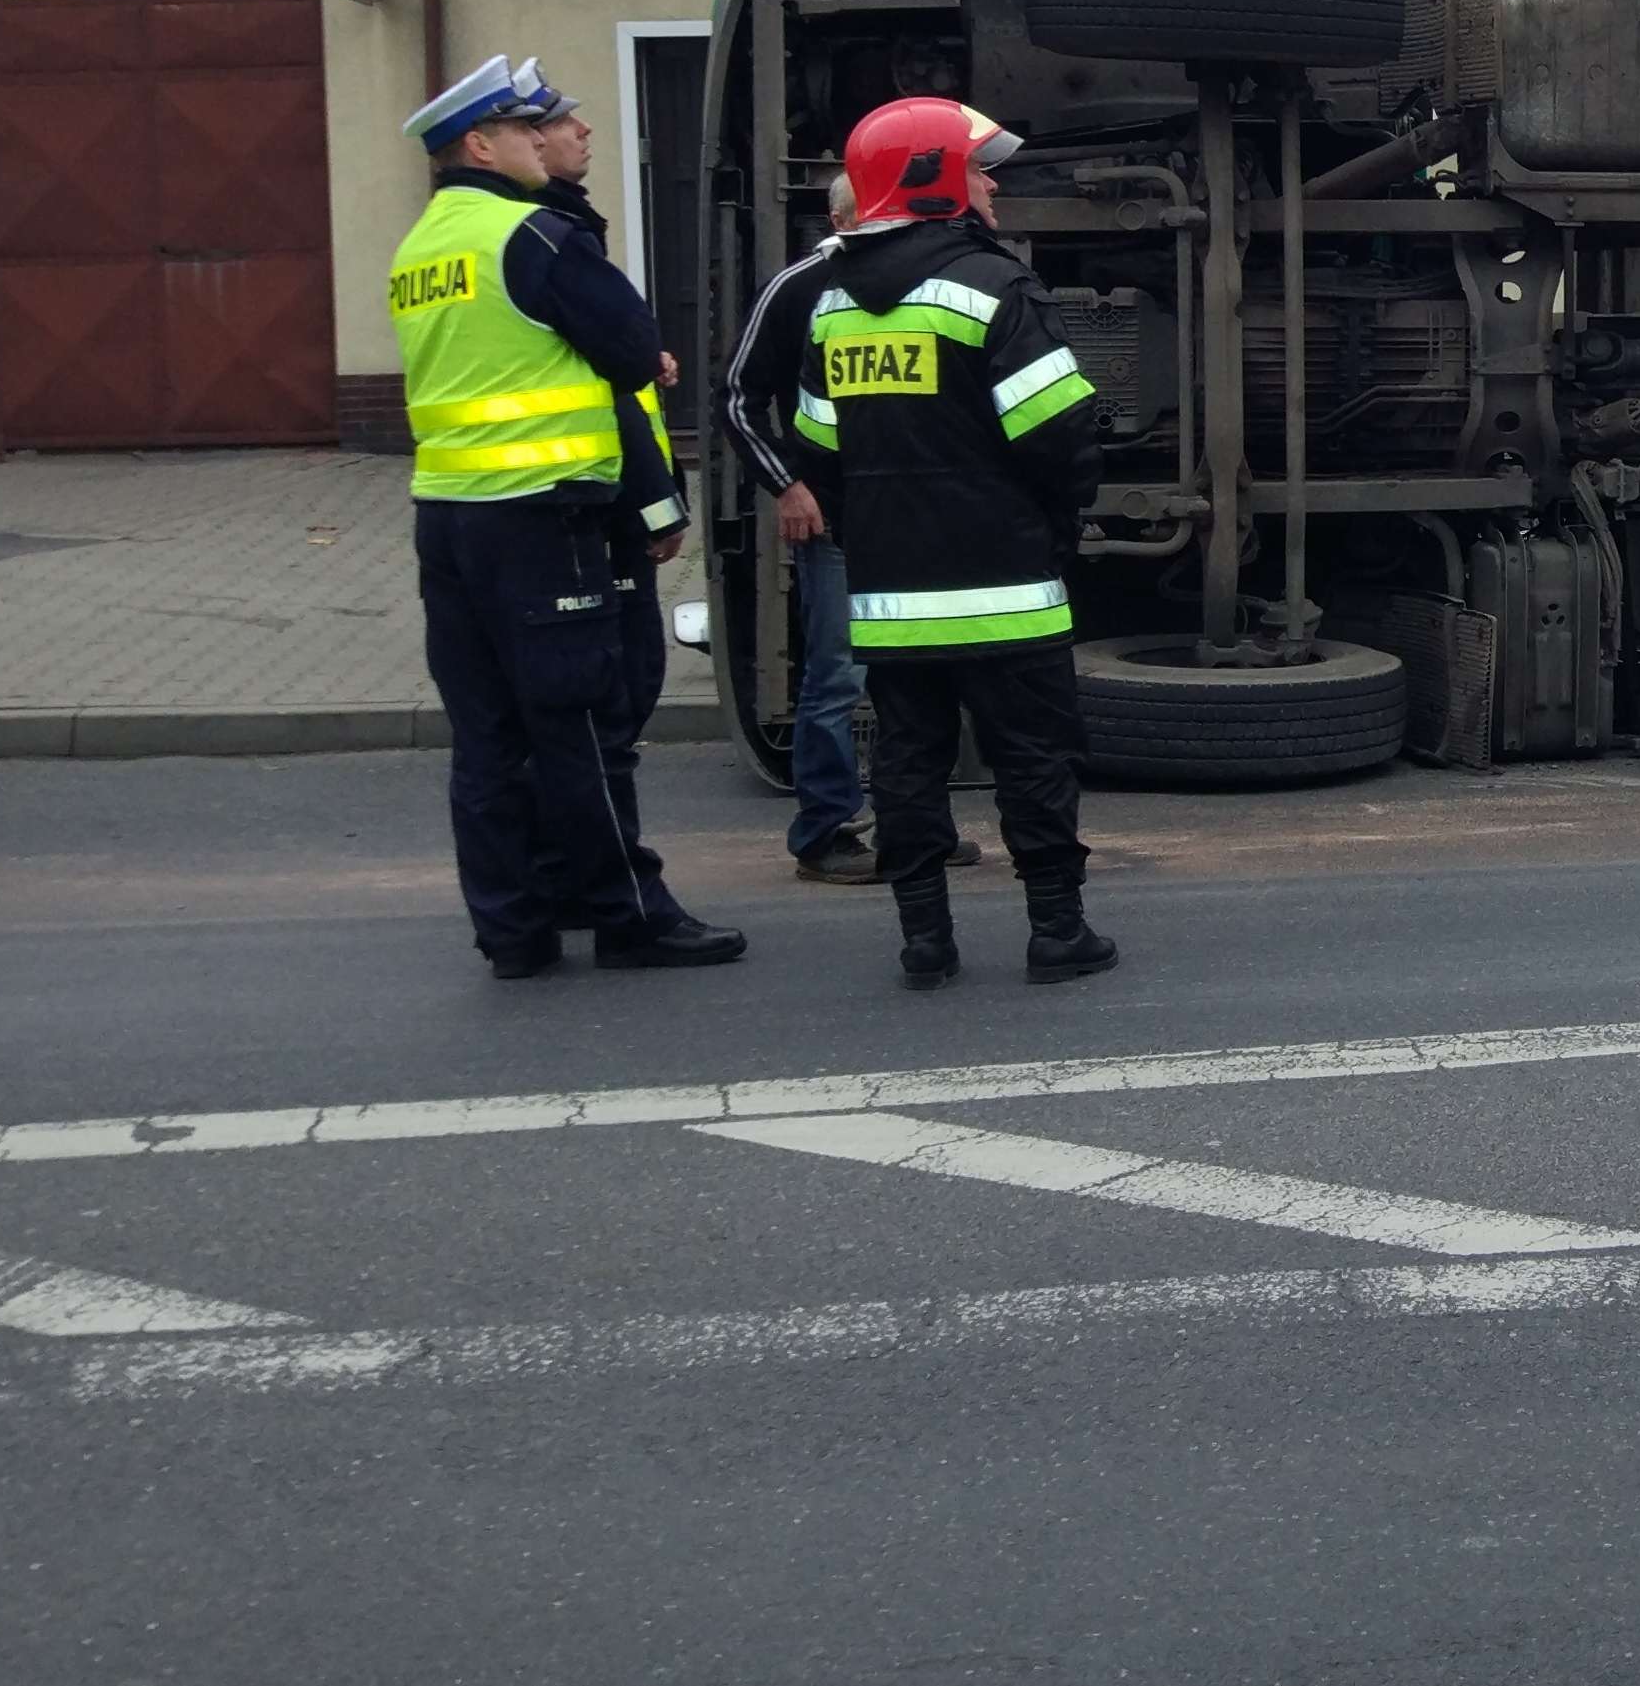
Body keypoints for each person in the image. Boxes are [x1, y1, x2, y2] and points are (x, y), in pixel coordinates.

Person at [386, 56, 744, 979]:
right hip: (545, 521)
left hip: (450, 519)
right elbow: (629, 344)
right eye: (524, 130)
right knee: (577, 725)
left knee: (488, 739)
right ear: (482, 143)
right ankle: (628, 915)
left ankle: (514, 930)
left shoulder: (423, 245)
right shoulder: (534, 234)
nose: (545, 143)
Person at [786, 95, 1108, 988]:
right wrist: (1055, 525)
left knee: (907, 764)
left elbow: (821, 451)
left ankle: (924, 941)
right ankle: (1056, 932)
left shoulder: (832, 308)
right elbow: (1062, 437)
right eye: (975, 165)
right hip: (1006, 587)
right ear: (931, 180)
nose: (991, 180)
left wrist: (877, 533)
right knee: (1033, 760)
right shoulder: (993, 287)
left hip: (891, 598)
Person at [719, 170, 979, 883]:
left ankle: (914, 822)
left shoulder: (921, 283)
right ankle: (824, 831)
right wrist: (786, 484)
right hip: (836, 520)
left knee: (921, 673)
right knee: (837, 678)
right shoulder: (799, 286)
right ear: (841, 216)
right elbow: (738, 399)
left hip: (913, 518)